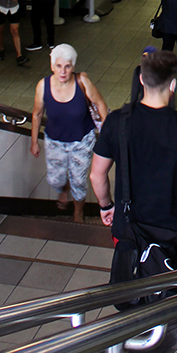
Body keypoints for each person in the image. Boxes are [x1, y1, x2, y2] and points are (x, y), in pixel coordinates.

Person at [90, 49, 177, 237]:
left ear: (141, 80)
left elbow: (97, 175)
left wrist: (106, 205)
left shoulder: (116, 121)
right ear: (173, 84)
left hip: (128, 226)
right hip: (170, 227)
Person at [30, 43, 107, 224]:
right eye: (59, 66)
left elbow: (100, 104)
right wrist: (34, 141)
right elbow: (37, 114)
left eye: (67, 66)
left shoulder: (82, 82)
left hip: (82, 140)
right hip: (54, 141)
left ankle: (78, 213)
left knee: (78, 181)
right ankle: (64, 188)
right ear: (52, 66)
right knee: (54, 179)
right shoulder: (43, 86)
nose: (63, 71)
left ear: (73, 66)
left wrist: (106, 131)